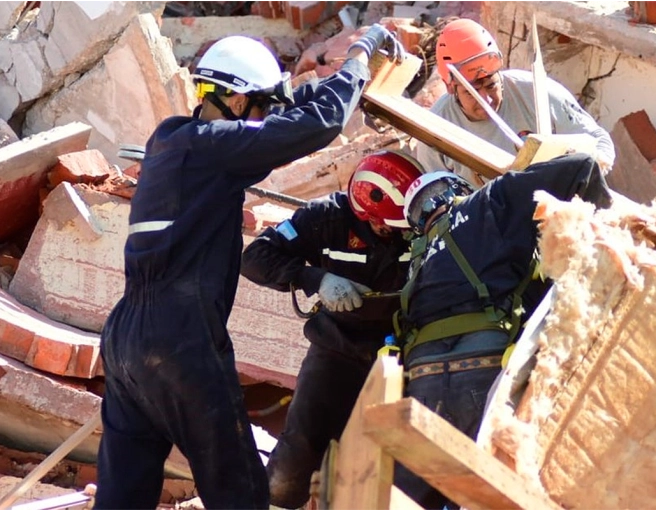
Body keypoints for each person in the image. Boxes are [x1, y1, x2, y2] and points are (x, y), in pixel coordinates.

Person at [95, 27, 405, 510]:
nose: (265, 119)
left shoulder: (171, 143)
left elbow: (287, 124)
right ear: (238, 103)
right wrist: (359, 59)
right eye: (263, 107)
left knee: (123, 496)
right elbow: (318, 124)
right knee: (239, 492)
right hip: (183, 340)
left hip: (124, 340)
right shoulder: (213, 148)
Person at [392, 153, 613, 508]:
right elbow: (581, 166)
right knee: (498, 493)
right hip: (484, 370)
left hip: (423, 382)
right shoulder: (489, 200)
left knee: (410, 499)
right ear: (460, 189)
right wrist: (607, 235)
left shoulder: (416, 260)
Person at [240, 150, 424, 508]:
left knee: (402, 456)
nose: (394, 233)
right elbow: (256, 257)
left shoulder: (421, 219)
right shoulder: (325, 217)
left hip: (406, 350)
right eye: (385, 226)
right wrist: (316, 278)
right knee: (302, 442)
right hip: (337, 347)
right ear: (363, 211)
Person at [416, 18, 616, 187]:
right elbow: (436, 196)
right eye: (472, 92)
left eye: (491, 85)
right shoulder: (436, 129)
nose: (485, 99)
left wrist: (586, 173)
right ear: (451, 88)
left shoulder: (537, 91)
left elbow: (599, 140)